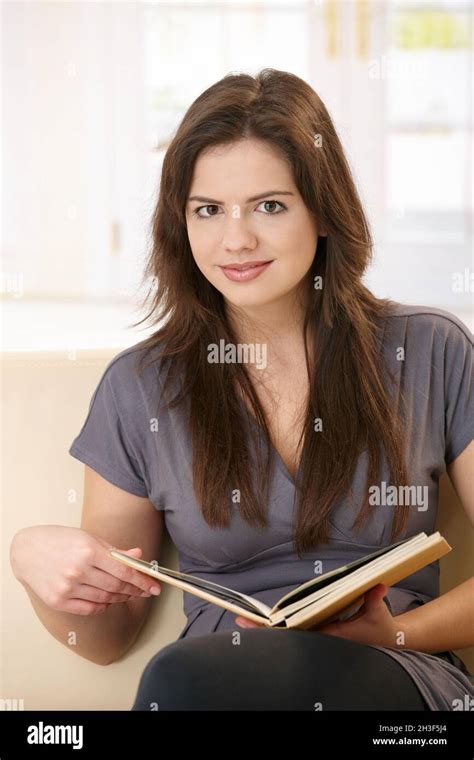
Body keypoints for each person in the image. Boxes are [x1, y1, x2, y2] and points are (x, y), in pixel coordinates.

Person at [10, 68, 473, 711]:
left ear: (325, 212)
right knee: (185, 684)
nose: (236, 239)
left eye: (270, 205)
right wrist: (33, 566)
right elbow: (107, 640)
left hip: (394, 675)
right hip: (210, 684)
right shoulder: (140, 387)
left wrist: (395, 631)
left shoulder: (431, 351)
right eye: (209, 210)